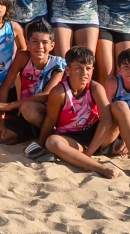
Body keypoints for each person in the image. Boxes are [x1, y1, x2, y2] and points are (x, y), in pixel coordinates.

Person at [35, 46, 121, 178]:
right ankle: (102, 169)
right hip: (73, 138)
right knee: (52, 142)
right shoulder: (59, 92)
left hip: (97, 134)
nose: (84, 73)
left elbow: (107, 121)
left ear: (92, 69)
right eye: (79, 68)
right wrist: (40, 145)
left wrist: (89, 152)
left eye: (88, 68)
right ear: (68, 70)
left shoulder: (95, 88)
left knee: (121, 107)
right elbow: (50, 121)